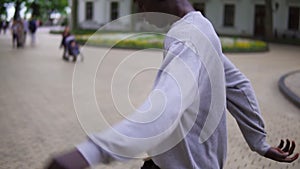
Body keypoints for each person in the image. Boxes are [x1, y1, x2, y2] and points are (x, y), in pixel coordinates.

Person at [46, 0, 299, 169]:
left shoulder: (186, 39)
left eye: (141, 2)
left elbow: (165, 108)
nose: (141, 13)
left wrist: (90, 152)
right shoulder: (202, 27)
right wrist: (260, 142)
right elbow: (239, 86)